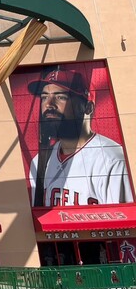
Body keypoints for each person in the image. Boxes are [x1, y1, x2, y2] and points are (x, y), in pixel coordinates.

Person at [27, 67, 134, 207]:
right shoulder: (39, 163)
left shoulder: (113, 161)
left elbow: (127, 224)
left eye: (60, 97)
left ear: (88, 107)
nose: (49, 105)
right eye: (44, 97)